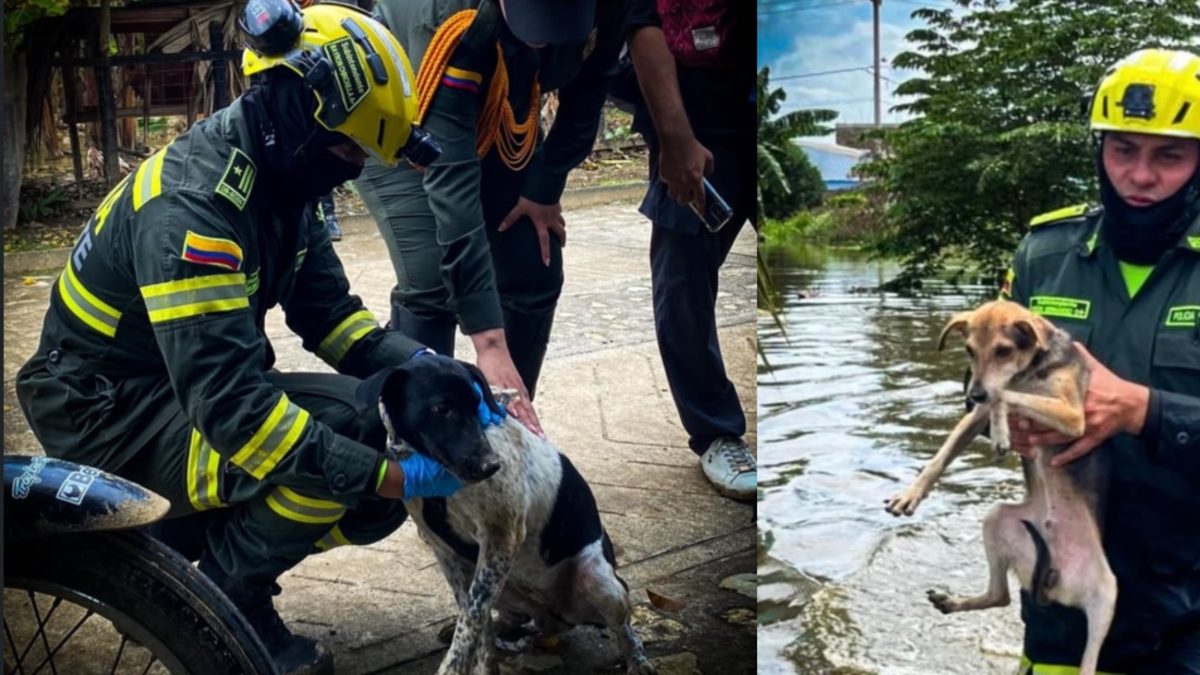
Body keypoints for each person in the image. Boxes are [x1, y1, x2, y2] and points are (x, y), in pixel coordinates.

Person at [14, 3, 490, 674]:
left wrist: (434, 372)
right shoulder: (196, 213)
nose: (352, 167)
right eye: (349, 148)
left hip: (176, 395)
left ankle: (206, 542)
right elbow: (235, 413)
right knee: (357, 442)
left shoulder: (280, 181)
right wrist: (386, 475)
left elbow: (331, 317)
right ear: (299, 112)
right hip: (110, 418)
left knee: (382, 443)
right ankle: (228, 594)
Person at [999, 48, 1200, 674]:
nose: (1140, 176)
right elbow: (980, 386)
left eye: (1169, 154)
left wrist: (1146, 410)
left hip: (1187, 612)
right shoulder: (1043, 254)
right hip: (1061, 602)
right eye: (1123, 150)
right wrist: (1006, 420)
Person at [354, 0, 626, 437]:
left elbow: (591, 87)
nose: (544, 37)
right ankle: (422, 441)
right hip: (401, 121)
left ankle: (506, 423)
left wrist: (544, 188)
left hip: (499, 113)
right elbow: (451, 179)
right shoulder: (452, 17)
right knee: (431, 280)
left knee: (534, 265)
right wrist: (489, 341)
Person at [620, 0, 755, 501]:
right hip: (697, 109)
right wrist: (675, 138)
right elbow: (641, 19)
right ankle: (716, 430)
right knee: (684, 280)